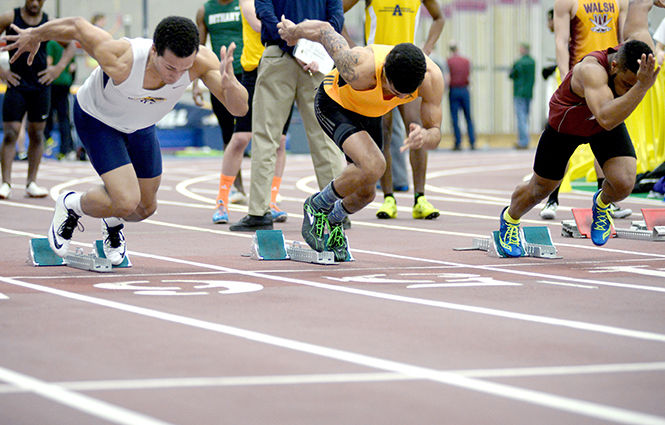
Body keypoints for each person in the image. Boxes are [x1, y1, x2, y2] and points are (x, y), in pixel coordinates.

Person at [2, 15, 248, 264]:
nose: (176, 76)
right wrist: (36, 34)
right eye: (170, 67)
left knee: (145, 208)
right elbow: (77, 26)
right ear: (154, 51)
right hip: (98, 120)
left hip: (140, 125)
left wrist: (231, 86)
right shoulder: (123, 58)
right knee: (126, 199)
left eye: (184, 69)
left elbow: (239, 109)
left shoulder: (202, 62)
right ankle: (71, 205)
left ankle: (112, 218)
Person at [497, 0, 661, 257]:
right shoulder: (591, 72)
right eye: (627, 84)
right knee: (541, 189)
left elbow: (639, 13)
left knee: (625, 181)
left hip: (601, 125)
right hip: (567, 127)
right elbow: (606, 117)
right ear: (615, 67)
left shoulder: (642, 61)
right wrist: (641, 87)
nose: (630, 89)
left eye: (634, 85)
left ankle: (602, 202)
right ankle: (510, 218)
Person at [277, 17, 444, 261]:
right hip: (335, 103)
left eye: (399, 96)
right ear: (384, 70)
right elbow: (325, 30)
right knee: (374, 165)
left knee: (366, 195)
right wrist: (294, 32)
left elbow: (436, 133)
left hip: (370, 114)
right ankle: (316, 205)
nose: (390, 95)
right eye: (388, 88)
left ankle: (334, 221)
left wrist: (424, 136)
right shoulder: (357, 65)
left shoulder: (432, 78)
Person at [229, 0, 346, 232]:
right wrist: (313, 47)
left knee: (266, 137)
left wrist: (294, 48)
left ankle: (259, 211)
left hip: (278, 57)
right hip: (317, 61)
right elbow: (336, 20)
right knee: (325, 136)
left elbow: (265, 15)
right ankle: (337, 209)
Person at [343, 0, 444, 221]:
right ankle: (388, 198)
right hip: (380, 72)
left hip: (408, 69)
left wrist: (426, 49)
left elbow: (439, 17)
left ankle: (420, 198)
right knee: (384, 133)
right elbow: (336, 12)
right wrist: (352, 48)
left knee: (415, 128)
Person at [541, 0, 631, 220]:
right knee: (562, 141)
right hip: (578, 82)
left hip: (609, 80)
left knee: (605, 138)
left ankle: (604, 200)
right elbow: (561, 42)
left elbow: (624, 40)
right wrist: (565, 77)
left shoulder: (620, 1)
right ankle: (552, 198)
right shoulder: (568, 2)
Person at [207, 0, 291, 224]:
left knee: (280, 141)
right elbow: (258, 25)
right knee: (241, 138)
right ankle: (222, 201)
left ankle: (271, 200)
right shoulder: (247, 1)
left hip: (286, 67)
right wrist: (294, 28)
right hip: (255, 69)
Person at [0, 0, 75, 200]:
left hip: (41, 85)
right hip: (16, 82)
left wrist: (57, 69)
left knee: (37, 133)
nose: (34, 2)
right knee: (10, 133)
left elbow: (70, 47)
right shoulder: (9, 17)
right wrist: (2, 72)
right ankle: (5, 183)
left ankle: (31, 182)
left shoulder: (48, 22)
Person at [43, 40, 76, 160]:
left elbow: (49, 62)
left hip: (52, 82)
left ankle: (48, 138)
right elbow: (72, 68)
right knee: (64, 118)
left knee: (48, 114)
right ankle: (65, 150)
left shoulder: (51, 43)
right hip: (65, 83)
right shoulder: (68, 45)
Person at [445, 41, 476, 151]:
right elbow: (470, 76)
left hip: (454, 90)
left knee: (455, 118)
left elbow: (447, 78)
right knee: (468, 116)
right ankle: (472, 142)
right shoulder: (466, 61)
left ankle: (458, 142)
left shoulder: (449, 61)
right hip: (464, 90)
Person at [509, 43, 535, 150]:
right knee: (525, 117)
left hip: (519, 93)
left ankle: (523, 141)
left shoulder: (519, 63)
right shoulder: (533, 62)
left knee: (521, 117)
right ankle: (524, 140)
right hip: (528, 93)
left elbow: (511, 75)